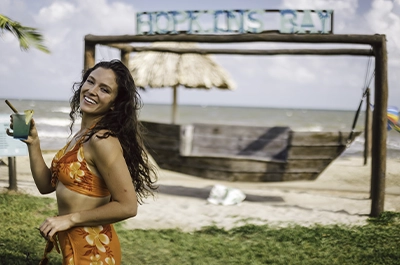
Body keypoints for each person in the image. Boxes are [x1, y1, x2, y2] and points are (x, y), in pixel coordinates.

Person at [7, 59, 158, 264]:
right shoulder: (81, 137)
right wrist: (34, 143)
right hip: (74, 248)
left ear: (114, 103)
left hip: (95, 252)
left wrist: (69, 219)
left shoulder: (102, 140)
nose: (92, 90)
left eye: (104, 89)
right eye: (90, 81)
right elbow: (45, 186)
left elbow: (128, 206)